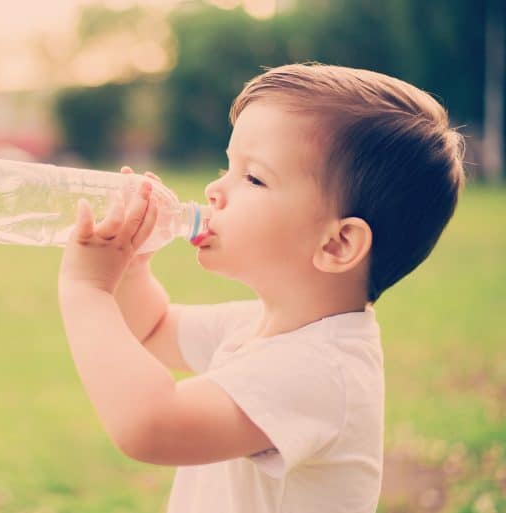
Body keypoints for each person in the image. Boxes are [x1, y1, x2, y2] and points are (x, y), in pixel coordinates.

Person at [57, 63, 466, 513]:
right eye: (226, 166)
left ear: (337, 243)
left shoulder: (320, 370)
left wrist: (87, 289)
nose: (215, 189)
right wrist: (132, 271)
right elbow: (152, 329)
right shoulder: (258, 324)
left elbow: (152, 426)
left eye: (253, 177)